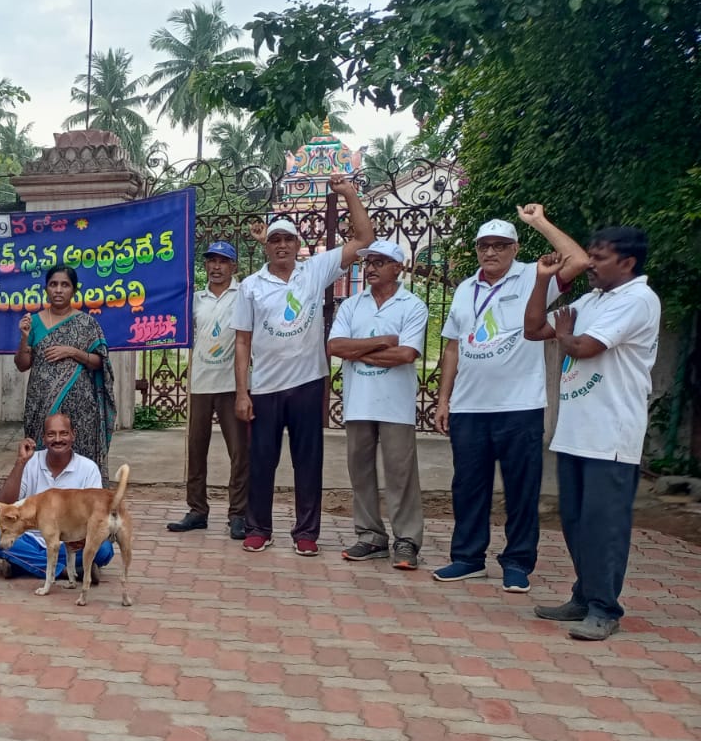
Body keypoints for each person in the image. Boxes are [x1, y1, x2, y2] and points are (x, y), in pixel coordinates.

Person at [431, 203, 589, 591]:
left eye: (500, 245)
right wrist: (444, 399)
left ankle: (517, 563)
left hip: (519, 406)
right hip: (469, 407)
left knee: (521, 489)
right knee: (468, 487)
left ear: (515, 249)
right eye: (484, 245)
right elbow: (452, 347)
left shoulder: (535, 276)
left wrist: (539, 221)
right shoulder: (465, 289)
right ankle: (467, 558)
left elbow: (579, 261)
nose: (491, 252)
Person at [524, 229, 661, 641]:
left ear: (628, 263)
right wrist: (542, 280)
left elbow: (584, 348)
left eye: (600, 257)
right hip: (575, 431)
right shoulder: (592, 300)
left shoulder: (638, 299)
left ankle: (605, 608)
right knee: (575, 522)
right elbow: (533, 329)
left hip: (610, 435)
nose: (590, 264)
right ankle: (584, 596)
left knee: (604, 526)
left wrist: (566, 334)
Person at [234, 172, 374, 556]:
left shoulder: (315, 270)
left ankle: (306, 532)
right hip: (264, 387)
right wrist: (242, 392)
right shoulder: (251, 286)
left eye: (288, 240)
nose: (281, 245)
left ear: (298, 245)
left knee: (308, 462)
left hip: (309, 383)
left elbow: (364, 240)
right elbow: (242, 341)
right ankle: (258, 527)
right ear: (267, 246)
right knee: (261, 462)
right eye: (275, 240)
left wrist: (348, 193)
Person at [327, 240, 429, 569]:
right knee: (360, 472)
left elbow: (406, 354)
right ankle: (370, 536)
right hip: (358, 402)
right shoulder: (352, 305)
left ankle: (407, 540)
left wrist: (358, 351)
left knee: (401, 474)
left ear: (397, 268)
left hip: (395, 404)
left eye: (379, 262)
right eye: (368, 262)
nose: (370, 268)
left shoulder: (412, 305)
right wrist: (382, 341)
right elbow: (335, 347)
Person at [167, 240, 248, 540]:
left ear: (233, 266)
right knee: (196, 449)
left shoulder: (244, 295)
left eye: (223, 261)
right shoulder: (195, 299)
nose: (216, 267)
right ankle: (197, 510)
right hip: (200, 383)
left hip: (232, 384)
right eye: (212, 261)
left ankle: (238, 514)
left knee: (240, 451)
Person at [0, 412, 114, 580]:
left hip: (69, 541)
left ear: (73, 435)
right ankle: (63, 571)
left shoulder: (88, 468)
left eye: (64, 433)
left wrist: (83, 537)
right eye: (51, 434)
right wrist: (20, 462)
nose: (58, 439)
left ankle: (22, 565)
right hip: (31, 539)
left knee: (104, 550)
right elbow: (5, 503)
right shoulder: (30, 462)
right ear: (43, 438)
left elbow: (97, 515)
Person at [15, 265, 115, 474]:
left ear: (74, 290)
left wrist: (73, 352)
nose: (58, 290)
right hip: (41, 404)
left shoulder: (87, 323)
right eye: (53, 284)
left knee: (80, 455)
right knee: (40, 455)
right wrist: (24, 337)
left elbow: (100, 363)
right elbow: (22, 365)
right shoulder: (33, 322)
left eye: (65, 285)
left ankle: (82, 494)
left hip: (80, 408)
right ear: (46, 289)